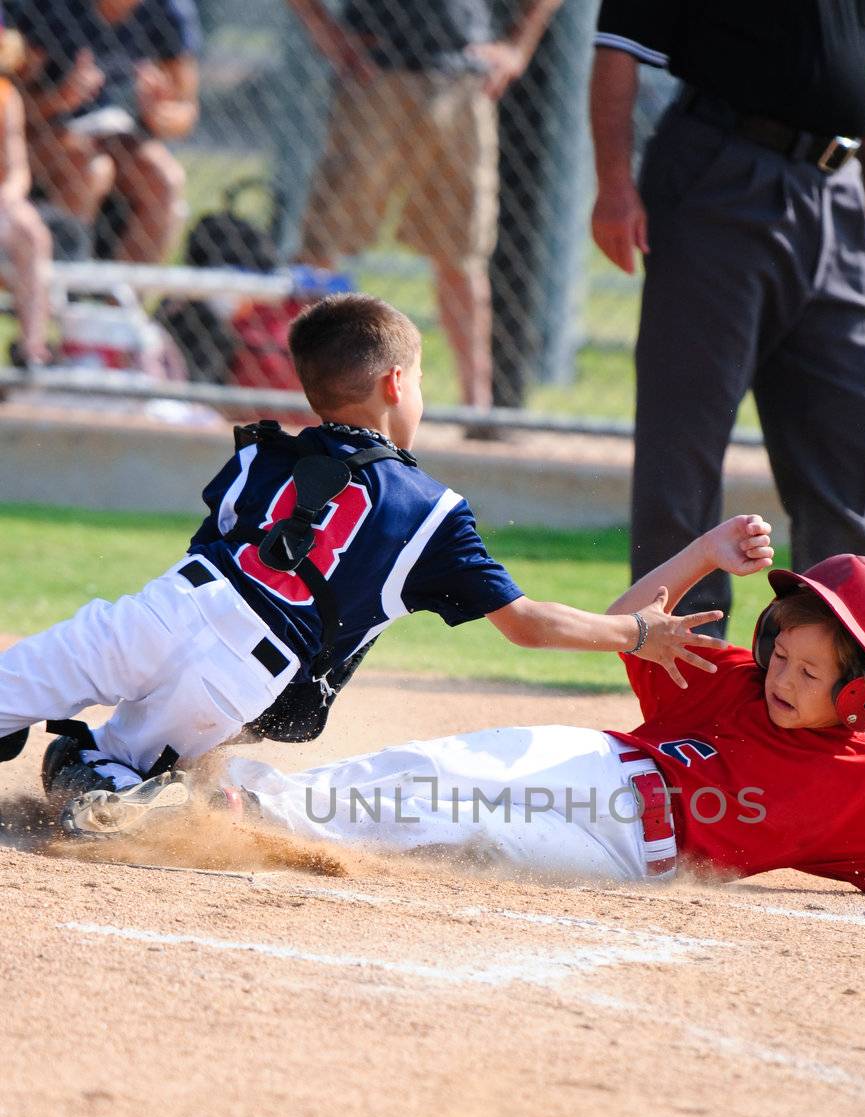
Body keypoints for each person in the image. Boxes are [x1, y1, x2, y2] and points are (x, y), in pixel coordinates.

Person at [0, 292, 720, 834]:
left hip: (166, 608)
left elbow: (214, 548)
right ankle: (124, 792)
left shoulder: (259, 453)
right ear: (396, 384)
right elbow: (527, 624)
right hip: (242, 675)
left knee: (24, 698)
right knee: (105, 765)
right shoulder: (432, 510)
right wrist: (636, 634)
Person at [218, 521, 865, 917]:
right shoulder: (729, 680)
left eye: (809, 673)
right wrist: (704, 557)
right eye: (783, 655)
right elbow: (627, 616)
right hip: (593, 768)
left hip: (627, 857)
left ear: (863, 695)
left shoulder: (860, 782)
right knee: (448, 772)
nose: (782, 678)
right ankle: (242, 806)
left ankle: (267, 820)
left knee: (469, 839)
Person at [589, 2, 865, 713]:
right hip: (721, 171)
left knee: (844, 435)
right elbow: (616, 48)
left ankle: (851, 656)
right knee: (684, 434)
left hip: (835, 186)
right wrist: (613, 186)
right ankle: (689, 659)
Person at [284, 0, 562, 417]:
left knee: (461, 252)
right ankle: (308, 397)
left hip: (460, 77)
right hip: (375, 72)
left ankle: (476, 409)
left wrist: (518, 47)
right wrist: (327, 31)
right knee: (326, 241)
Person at [12, 0, 200, 263]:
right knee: (88, 169)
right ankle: (58, 289)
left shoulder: (168, 9)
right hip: (44, 130)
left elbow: (185, 111)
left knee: (165, 181)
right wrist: (59, 100)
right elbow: (12, 103)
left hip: (116, 131)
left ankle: (121, 300)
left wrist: (159, 113)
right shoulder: (52, 8)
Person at [0, 18, 53, 367]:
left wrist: (6, 196)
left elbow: (17, 170)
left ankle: (32, 350)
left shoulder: (5, 96)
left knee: (30, 230)